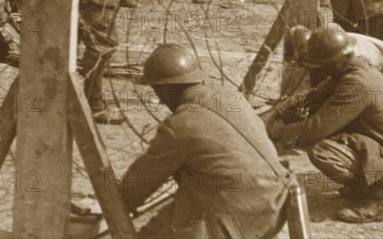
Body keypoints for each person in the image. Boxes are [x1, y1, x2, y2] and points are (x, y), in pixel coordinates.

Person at [121, 44, 290, 238]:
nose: (159, 100)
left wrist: (118, 202)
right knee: (179, 208)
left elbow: (139, 183)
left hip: (239, 218)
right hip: (275, 203)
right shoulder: (231, 97)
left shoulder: (179, 125)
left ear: (165, 88)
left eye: (157, 91)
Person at [266, 29, 383, 223]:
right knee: (332, 138)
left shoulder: (356, 84)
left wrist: (279, 132)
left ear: (333, 62)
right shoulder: (351, 67)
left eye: (319, 65)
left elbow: (317, 128)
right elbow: (313, 96)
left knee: (321, 149)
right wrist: (276, 112)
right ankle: (363, 185)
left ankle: (378, 196)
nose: (316, 71)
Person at [276, 25, 383, 152]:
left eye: (305, 59)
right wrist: (281, 113)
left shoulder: (342, 54)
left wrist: (287, 132)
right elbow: (319, 93)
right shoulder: (326, 47)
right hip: (376, 79)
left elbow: (368, 85)